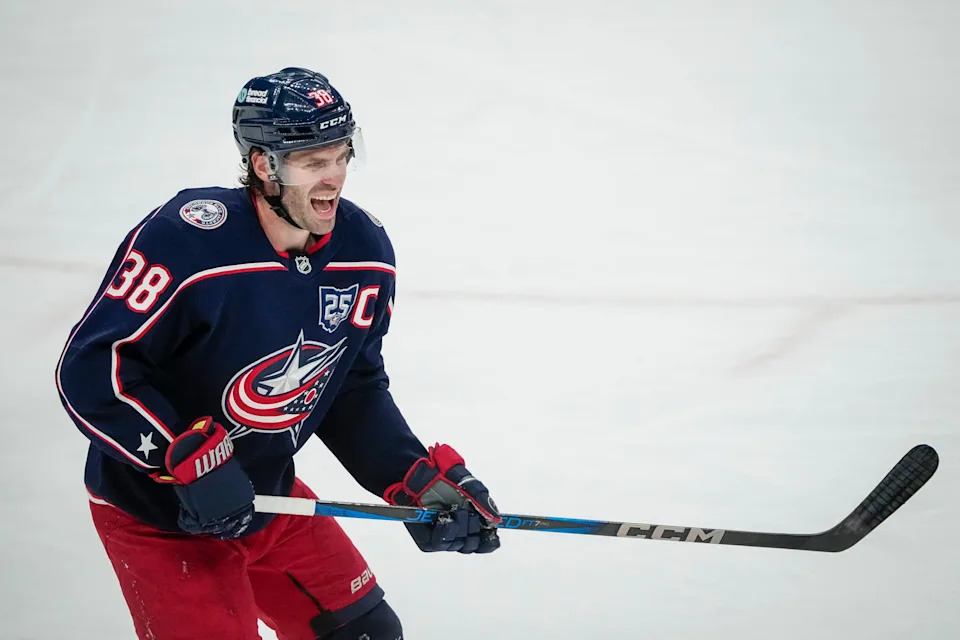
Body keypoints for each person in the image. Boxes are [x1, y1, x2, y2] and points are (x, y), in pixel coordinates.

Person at [55, 67, 502, 640]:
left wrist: (411, 475)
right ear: (264, 165)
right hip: (162, 518)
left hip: (269, 499)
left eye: (342, 155)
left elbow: (350, 386)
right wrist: (181, 456)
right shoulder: (187, 242)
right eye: (313, 162)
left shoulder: (366, 253)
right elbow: (94, 369)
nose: (334, 177)